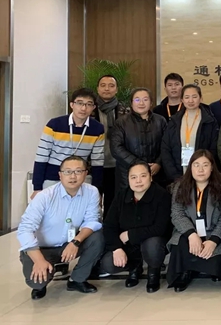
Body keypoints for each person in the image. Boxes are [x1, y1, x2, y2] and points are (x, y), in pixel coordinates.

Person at [17, 156, 104, 300]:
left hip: (69, 244)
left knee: (97, 237)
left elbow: (92, 221)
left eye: (78, 171)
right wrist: (39, 260)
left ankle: (77, 280)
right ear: (60, 175)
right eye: (67, 172)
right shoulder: (44, 196)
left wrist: (75, 242)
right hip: (41, 248)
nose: (73, 176)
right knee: (37, 282)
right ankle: (46, 270)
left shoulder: (91, 192)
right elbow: (25, 229)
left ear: (85, 174)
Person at [100, 161, 172, 293]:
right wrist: (116, 248)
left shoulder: (162, 195)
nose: (138, 181)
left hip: (154, 241)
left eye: (143, 176)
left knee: (153, 245)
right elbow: (109, 225)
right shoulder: (122, 195)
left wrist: (130, 235)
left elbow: (160, 228)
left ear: (150, 177)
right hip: (129, 245)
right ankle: (134, 267)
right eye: (133, 177)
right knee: (108, 263)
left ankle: (153, 271)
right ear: (128, 179)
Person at [167, 150, 221, 292]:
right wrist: (192, 234)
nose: (200, 170)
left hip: (212, 233)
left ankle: (204, 265)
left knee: (215, 267)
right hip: (188, 232)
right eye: (196, 165)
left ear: (212, 167)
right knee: (181, 245)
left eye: (205, 165)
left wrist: (214, 241)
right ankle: (185, 272)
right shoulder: (180, 186)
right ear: (190, 167)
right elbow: (177, 214)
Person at [32, 88, 105, 198]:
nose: (83, 108)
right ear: (72, 105)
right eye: (79, 103)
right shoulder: (54, 125)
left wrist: (97, 190)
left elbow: (97, 161)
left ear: (93, 107)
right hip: (53, 177)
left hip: (80, 179)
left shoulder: (97, 129)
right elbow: (41, 157)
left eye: (89, 104)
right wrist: (37, 187)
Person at [111, 88, 167, 191]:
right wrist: (139, 164)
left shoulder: (160, 121)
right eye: (137, 100)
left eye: (145, 99)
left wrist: (158, 163)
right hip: (128, 174)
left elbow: (167, 145)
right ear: (131, 103)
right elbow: (116, 148)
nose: (141, 103)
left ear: (151, 103)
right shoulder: (121, 123)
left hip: (155, 173)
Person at [161, 84, 220, 182]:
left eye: (194, 97)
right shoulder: (174, 120)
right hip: (178, 174)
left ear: (201, 98)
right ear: (182, 100)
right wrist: (174, 175)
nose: (191, 100)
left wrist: (205, 170)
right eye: (187, 97)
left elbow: (213, 149)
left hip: (202, 173)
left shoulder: (210, 121)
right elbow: (165, 148)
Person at [92, 75, 128, 214]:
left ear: (117, 89)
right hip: (94, 163)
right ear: (97, 88)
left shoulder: (125, 110)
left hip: (117, 164)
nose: (107, 88)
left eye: (111, 85)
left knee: (113, 202)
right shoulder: (89, 109)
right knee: (92, 201)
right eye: (103, 85)